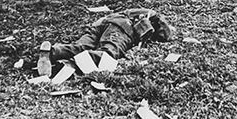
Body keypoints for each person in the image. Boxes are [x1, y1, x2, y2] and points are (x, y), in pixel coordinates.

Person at [37, 8, 174, 77]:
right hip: (122, 27)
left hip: (99, 25)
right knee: (108, 53)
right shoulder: (153, 15)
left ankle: (52, 52)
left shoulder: (128, 11)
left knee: (81, 46)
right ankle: (70, 64)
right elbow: (165, 34)